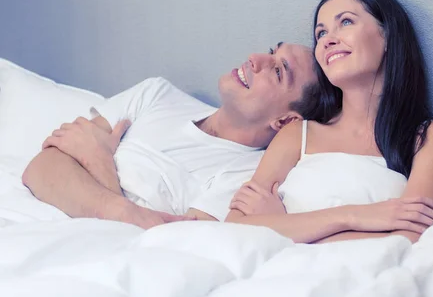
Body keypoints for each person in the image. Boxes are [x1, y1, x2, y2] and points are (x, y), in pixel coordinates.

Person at [225, 0, 433, 244]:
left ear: (388, 35)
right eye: (321, 32)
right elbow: (235, 227)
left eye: (345, 22)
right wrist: (353, 217)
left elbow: (407, 239)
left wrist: (284, 225)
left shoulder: (427, 137)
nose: (327, 40)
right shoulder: (297, 135)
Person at [22, 42, 322, 229]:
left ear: (286, 121)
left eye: (278, 71)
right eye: (272, 52)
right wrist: (124, 209)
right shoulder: (156, 94)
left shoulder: (245, 178)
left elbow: (169, 249)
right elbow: (41, 167)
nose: (255, 58)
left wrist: (98, 161)